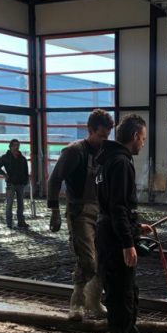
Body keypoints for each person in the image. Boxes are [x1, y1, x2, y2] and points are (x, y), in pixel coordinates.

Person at [95, 114, 155, 333]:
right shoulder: (120, 162)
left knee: (129, 291)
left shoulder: (108, 158)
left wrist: (135, 227)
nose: (143, 143)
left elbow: (114, 206)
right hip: (113, 239)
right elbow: (118, 207)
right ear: (134, 136)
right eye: (143, 138)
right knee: (120, 296)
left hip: (109, 232)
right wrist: (127, 243)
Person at [47, 109, 114, 320]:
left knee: (103, 259)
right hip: (80, 212)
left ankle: (94, 301)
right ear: (90, 130)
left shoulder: (105, 154)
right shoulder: (74, 152)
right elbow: (54, 180)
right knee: (87, 261)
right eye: (101, 135)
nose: (104, 140)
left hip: (100, 211)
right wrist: (55, 210)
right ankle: (76, 303)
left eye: (107, 136)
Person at [0, 139, 29, 229]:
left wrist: (26, 181)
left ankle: (21, 222)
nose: (16, 147)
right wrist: (4, 174)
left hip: (20, 184)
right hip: (11, 184)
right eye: (14, 145)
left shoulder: (22, 158)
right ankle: (9, 223)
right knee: (9, 203)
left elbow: (26, 171)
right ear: (10, 146)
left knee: (21, 204)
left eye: (18, 145)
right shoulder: (5, 157)